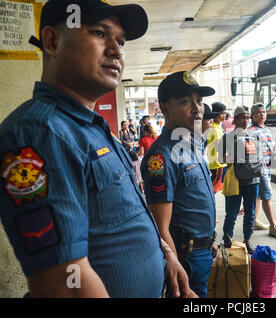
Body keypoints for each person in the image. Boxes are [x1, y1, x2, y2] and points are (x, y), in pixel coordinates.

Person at [0, 0, 195, 298]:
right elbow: (65, 283)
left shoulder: (93, 128)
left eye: (120, 41)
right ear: (52, 41)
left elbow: (130, 210)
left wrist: (166, 252)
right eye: (99, 33)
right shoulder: (38, 134)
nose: (116, 50)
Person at [141, 71, 218, 298]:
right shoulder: (161, 157)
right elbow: (161, 226)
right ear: (164, 109)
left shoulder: (191, 142)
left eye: (199, 101)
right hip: (186, 258)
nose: (197, 109)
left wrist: (209, 238)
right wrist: (179, 276)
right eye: (186, 102)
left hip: (202, 249)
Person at [218, 106, 261, 254]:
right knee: (231, 214)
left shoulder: (254, 136)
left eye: (248, 117)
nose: (246, 120)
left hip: (253, 182)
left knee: (250, 214)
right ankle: (227, 240)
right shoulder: (228, 137)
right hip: (235, 182)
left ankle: (247, 240)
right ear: (235, 119)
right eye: (242, 117)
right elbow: (219, 157)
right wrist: (230, 159)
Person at [249, 103, 276, 238]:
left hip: (267, 166)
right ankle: (273, 225)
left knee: (259, 195)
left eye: (264, 112)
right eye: (258, 112)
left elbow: (270, 148)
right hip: (259, 168)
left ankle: (254, 221)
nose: (262, 114)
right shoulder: (251, 131)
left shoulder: (267, 130)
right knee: (267, 195)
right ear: (253, 115)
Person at [206, 102, 228, 193]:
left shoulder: (218, 127)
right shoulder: (214, 129)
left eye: (225, 113)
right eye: (222, 113)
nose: (224, 115)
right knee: (213, 189)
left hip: (218, 163)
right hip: (218, 164)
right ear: (216, 114)